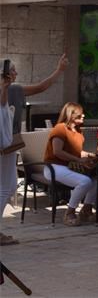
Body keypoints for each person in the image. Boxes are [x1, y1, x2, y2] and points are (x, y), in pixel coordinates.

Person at [43, 102, 98, 226]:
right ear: (71, 114)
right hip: (53, 167)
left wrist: (90, 155)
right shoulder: (60, 128)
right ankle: (70, 212)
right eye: (80, 113)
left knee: (95, 181)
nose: (83, 115)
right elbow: (57, 152)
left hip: (68, 167)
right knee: (85, 182)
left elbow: (77, 152)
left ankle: (86, 210)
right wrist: (79, 160)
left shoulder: (78, 132)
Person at [0, 67, 18, 245]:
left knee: (10, 186)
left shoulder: (5, 90)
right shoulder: (3, 90)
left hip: (7, 146)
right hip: (3, 147)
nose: (15, 73)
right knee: (6, 188)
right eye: (12, 70)